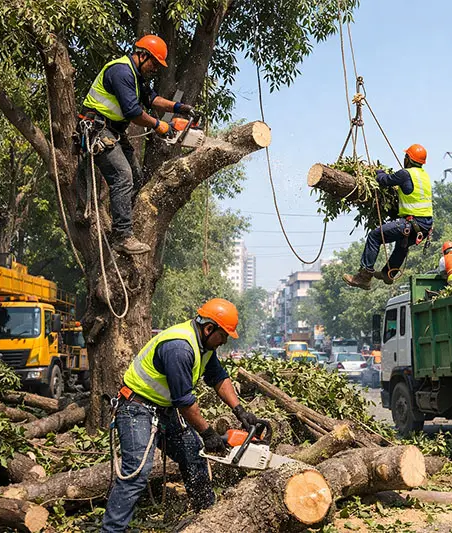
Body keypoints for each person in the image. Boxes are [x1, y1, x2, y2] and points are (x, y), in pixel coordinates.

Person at [102, 298, 264, 532]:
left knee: (193, 457)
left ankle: (208, 519)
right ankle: (112, 530)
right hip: (136, 408)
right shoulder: (180, 347)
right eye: (224, 335)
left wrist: (240, 411)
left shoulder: (204, 346)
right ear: (209, 329)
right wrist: (208, 433)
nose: (225, 341)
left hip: (162, 409)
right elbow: (185, 402)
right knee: (137, 470)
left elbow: (218, 377)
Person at [79, 35, 195, 255]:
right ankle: (122, 236)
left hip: (114, 130)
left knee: (136, 177)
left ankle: (124, 224)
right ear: (143, 55)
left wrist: (180, 108)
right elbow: (133, 112)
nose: (155, 69)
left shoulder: (136, 75)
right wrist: (160, 126)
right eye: (154, 63)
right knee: (123, 176)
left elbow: (151, 99)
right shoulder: (121, 71)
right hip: (98, 128)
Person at [344, 144, 433, 289]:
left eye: (405, 157)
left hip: (412, 223)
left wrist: (378, 172)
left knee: (375, 236)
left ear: (408, 159)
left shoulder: (406, 174)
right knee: (402, 244)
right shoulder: (424, 176)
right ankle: (388, 273)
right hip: (425, 227)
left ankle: (364, 277)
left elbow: (383, 180)